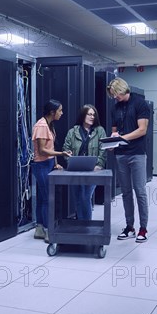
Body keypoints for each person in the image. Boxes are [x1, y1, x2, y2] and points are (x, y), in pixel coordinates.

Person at [107, 77, 151, 243]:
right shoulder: (115, 108)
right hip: (121, 154)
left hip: (137, 153)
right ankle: (129, 226)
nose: (114, 97)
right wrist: (111, 143)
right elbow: (114, 131)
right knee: (125, 192)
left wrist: (122, 138)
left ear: (122, 89)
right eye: (112, 95)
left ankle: (143, 228)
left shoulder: (140, 104)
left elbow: (142, 130)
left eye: (115, 94)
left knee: (139, 191)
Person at [31, 99, 72, 240]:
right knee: (47, 199)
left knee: (43, 198)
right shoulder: (41, 125)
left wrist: (55, 163)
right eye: (60, 110)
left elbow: (51, 147)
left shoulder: (49, 124)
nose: (62, 113)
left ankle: (40, 229)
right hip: (41, 165)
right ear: (52, 112)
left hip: (48, 164)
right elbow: (42, 151)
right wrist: (61, 154)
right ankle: (49, 231)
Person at [62, 104, 107, 220]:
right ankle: (81, 223)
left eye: (94, 115)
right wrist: (70, 161)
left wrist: (99, 165)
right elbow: (66, 149)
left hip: (93, 170)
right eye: (89, 114)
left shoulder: (99, 131)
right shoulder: (73, 131)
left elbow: (103, 150)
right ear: (83, 115)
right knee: (77, 197)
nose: (92, 117)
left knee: (85, 197)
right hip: (75, 170)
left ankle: (85, 224)